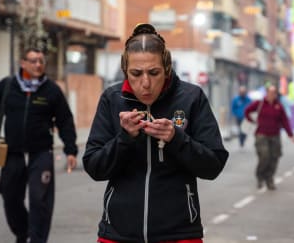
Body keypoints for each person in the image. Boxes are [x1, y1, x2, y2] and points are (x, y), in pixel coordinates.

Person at [83, 23, 229, 243]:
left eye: (154, 73)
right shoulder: (112, 99)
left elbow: (213, 165)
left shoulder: (191, 98)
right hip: (118, 234)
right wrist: (124, 139)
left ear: (167, 68)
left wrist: (176, 138)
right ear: (125, 70)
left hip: (179, 234)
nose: (146, 83)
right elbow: (94, 167)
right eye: (136, 73)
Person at [0, 48, 78, 243]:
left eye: (41, 61)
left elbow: (65, 121)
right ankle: (22, 231)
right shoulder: (8, 85)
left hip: (41, 153)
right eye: (33, 61)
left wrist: (71, 149)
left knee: (40, 200)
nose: (38, 64)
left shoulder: (51, 90)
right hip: (12, 152)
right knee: (9, 195)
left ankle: (37, 240)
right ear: (23, 63)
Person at [245, 85, 294, 190]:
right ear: (266, 93)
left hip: (275, 135)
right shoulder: (259, 104)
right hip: (261, 135)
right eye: (270, 92)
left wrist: (290, 134)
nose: (272, 95)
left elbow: (284, 121)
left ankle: (269, 179)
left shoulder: (279, 106)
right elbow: (247, 111)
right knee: (264, 156)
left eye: (274, 93)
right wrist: (252, 121)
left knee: (274, 158)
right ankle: (260, 176)